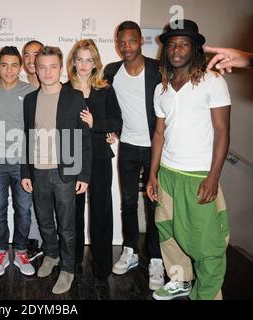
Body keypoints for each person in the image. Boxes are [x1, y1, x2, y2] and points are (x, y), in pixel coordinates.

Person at [147, 19, 231, 300]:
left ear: (195, 48)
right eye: (171, 44)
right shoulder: (162, 89)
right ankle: (181, 280)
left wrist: (213, 177)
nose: (176, 49)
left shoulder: (213, 81)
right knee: (168, 233)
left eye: (184, 43)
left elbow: (222, 132)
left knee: (207, 244)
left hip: (198, 175)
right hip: (168, 174)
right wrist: (153, 174)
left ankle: (208, 294)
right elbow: (159, 134)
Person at [21, 46, 92, 294]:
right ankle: (51, 255)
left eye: (53, 66)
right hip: (38, 170)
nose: (47, 72)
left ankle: (68, 269)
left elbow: (83, 138)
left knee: (67, 225)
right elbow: (26, 137)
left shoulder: (74, 97)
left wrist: (83, 175)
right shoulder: (30, 100)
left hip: (65, 172)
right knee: (44, 220)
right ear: (35, 69)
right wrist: (26, 172)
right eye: (42, 67)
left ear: (61, 69)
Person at [104, 21, 164, 290]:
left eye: (131, 41)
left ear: (141, 40)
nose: (126, 46)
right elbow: (106, 104)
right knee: (128, 203)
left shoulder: (157, 69)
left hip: (155, 146)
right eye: (121, 42)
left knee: (155, 207)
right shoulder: (112, 71)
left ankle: (156, 260)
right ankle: (129, 251)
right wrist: (110, 129)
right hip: (127, 146)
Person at [65, 39, 122, 282]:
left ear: (95, 62)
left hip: (99, 156)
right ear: (73, 61)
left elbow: (117, 122)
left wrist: (96, 124)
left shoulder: (105, 89)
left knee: (101, 210)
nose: (84, 64)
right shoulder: (65, 89)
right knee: (73, 212)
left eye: (89, 59)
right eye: (80, 59)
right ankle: (74, 260)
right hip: (73, 157)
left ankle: (102, 264)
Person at [0, 46, 36, 277]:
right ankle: (0, 252)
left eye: (14, 65)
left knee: (24, 209)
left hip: (22, 162)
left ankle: (21, 251)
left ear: (21, 67)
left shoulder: (30, 91)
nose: (9, 70)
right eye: (4, 64)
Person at [20, 40, 45, 261]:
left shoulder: (52, 84)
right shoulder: (16, 84)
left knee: (46, 200)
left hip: (49, 153)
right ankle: (33, 240)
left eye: (35, 54)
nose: (30, 59)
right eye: (26, 55)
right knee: (27, 201)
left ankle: (48, 242)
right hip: (22, 151)